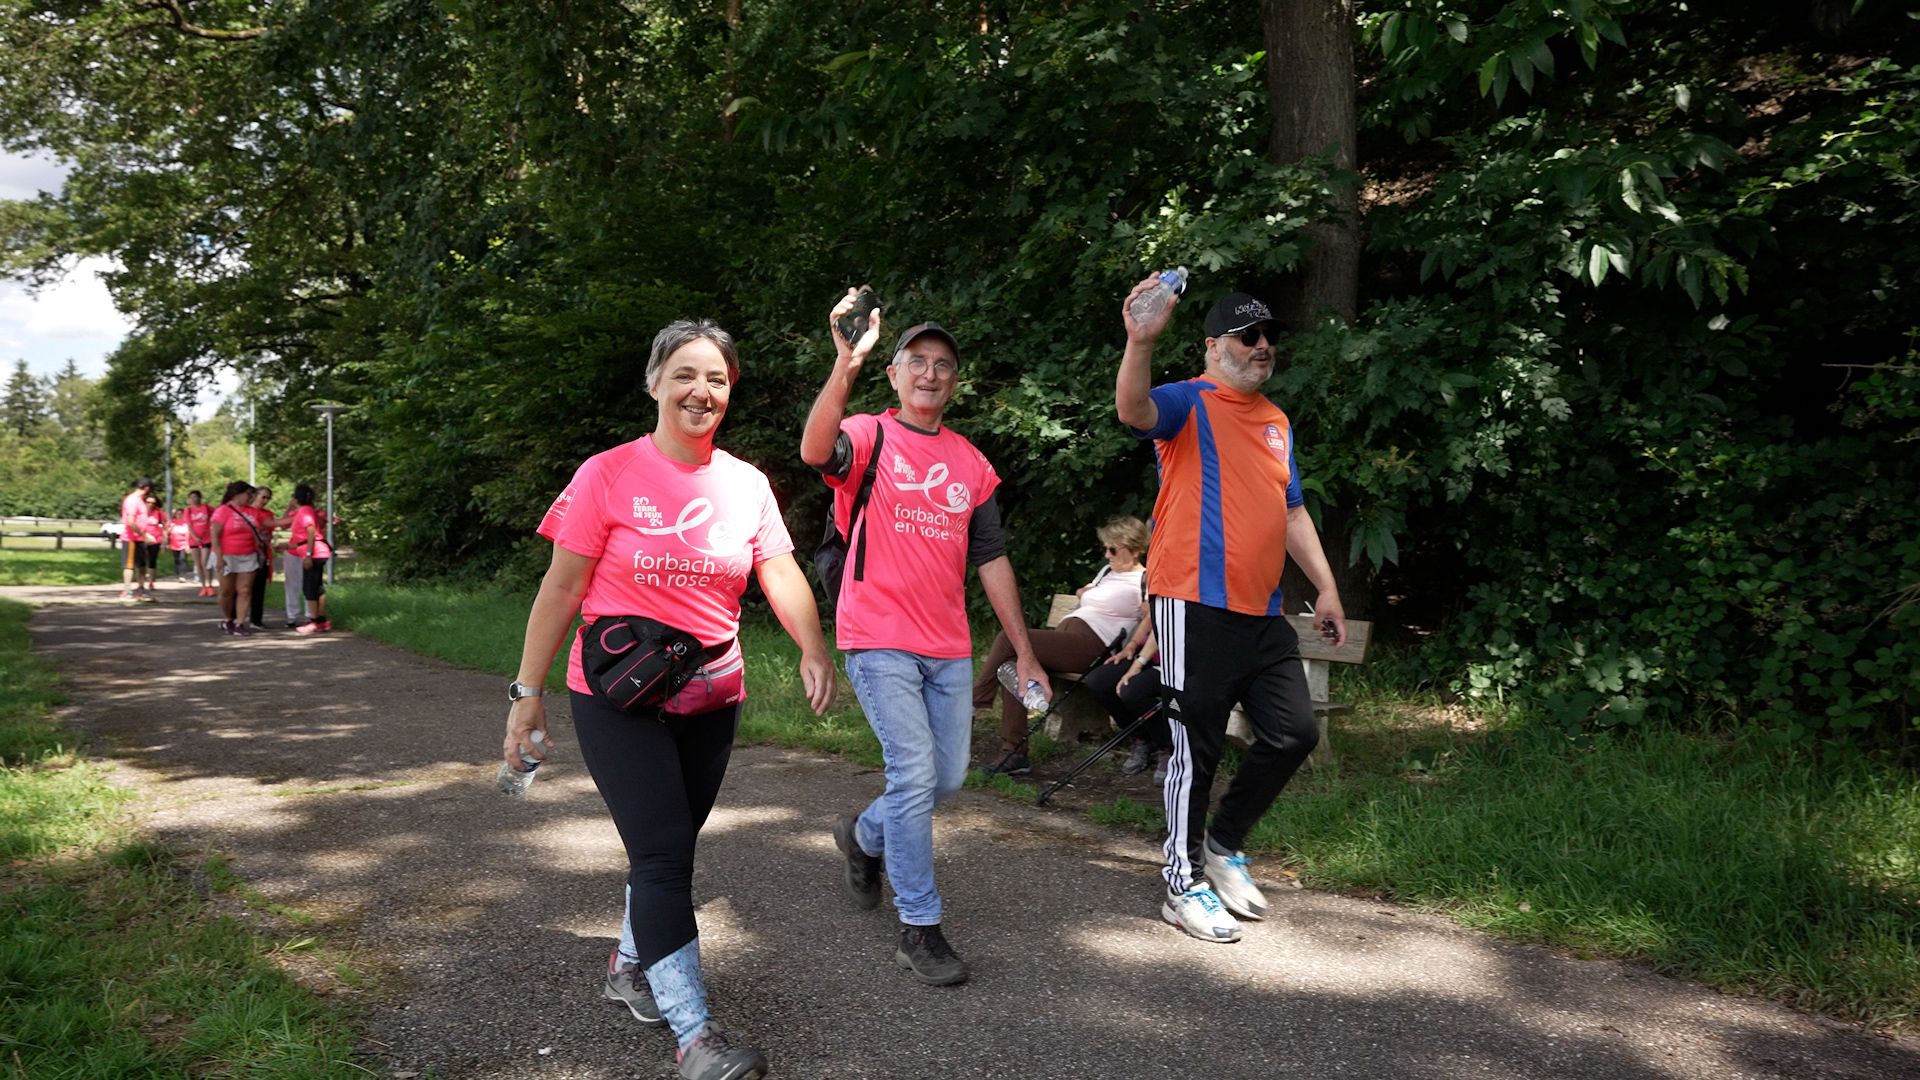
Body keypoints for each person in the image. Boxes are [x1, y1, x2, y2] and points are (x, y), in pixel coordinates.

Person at [502, 319, 834, 1080]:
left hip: (713, 694)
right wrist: (527, 692)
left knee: (671, 843)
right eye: (685, 374)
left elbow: (778, 570)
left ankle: (630, 966)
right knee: (662, 855)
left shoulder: (746, 484)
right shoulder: (608, 473)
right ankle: (694, 1035)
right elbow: (563, 586)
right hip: (617, 696)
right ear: (655, 383)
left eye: (716, 378)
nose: (700, 391)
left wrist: (814, 646)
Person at [801, 289, 1050, 987]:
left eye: (943, 365)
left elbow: (991, 558)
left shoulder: (972, 464)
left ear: (955, 382)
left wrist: (1026, 650)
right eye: (917, 361)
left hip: (947, 645)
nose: (930, 373)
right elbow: (815, 450)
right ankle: (920, 925)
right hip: (876, 633)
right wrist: (846, 364)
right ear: (895, 374)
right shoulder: (868, 435)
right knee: (912, 774)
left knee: (945, 778)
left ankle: (864, 836)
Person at [1115, 282, 1347, 945]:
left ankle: (1222, 845)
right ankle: (1181, 885)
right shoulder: (1189, 403)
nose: (1263, 346)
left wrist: (1327, 588)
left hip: (1262, 611)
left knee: (1293, 733)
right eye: (1248, 337)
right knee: (1198, 748)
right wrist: (1139, 341)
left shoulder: (1276, 422)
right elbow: (1133, 409)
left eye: (1269, 336)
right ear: (1214, 347)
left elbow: (1292, 512)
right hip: (1193, 602)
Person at [974, 515, 1149, 776]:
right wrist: (1085, 593)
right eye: (1105, 548)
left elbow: (1151, 616)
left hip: (1092, 646)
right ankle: (1014, 752)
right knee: (1012, 665)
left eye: (1113, 549)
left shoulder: (1144, 579)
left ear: (1134, 550)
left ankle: (974, 703)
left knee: (1009, 638)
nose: (1106, 554)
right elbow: (1086, 593)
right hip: (1068, 639)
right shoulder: (1106, 573)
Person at [1082, 605, 1173, 782]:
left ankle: (1167, 746)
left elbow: (1165, 623)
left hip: (1175, 663)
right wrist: (1132, 645)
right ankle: (1141, 738)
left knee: (1131, 691)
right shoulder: (1158, 589)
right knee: (1098, 682)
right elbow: (1152, 618)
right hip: (1147, 654)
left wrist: (1137, 665)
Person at [208, 481, 264, 636]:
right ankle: (228, 619)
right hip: (226, 555)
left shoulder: (252, 512)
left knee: (245, 590)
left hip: (248, 554)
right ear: (237, 494)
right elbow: (215, 536)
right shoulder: (222, 511)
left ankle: (240, 623)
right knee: (227, 591)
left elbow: (270, 522)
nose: (251, 498)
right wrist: (219, 557)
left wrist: (295, 513)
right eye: (248, 494)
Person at [289, 484, 334, 634]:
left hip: (314, 553)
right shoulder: (308, 510)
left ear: (296, 499)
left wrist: (308, 555)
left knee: (309, 588)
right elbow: (303, 538)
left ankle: (314, 622)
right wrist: (287, 546)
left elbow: (311, 532)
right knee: (317, 587)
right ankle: (321, 620)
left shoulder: (304, 512)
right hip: (318, 551)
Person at [245, 485, 283, 630]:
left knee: (259, 588)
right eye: (263, 497)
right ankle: (234, 618)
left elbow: (271, 533)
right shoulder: (246, 511)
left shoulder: (268, 514)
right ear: (255, 496)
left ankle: (256, 619)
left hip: (262, 555)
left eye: (268, 498)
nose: (265, 500)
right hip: (246, 553)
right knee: (243, 588)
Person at [118, 477, 153, 602]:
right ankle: (127, 591)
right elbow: (131, 521)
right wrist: (143, 535)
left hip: (139, 538)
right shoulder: (132, 500)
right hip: (131, 538)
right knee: (129, 566)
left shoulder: (140, 500)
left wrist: (144, 535)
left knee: (142, 565)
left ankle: (141, 589)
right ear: (146, 488)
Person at [183, 490, 215, 596]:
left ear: (200, 497)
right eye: (191, 497)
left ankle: (210, 585)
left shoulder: (207, 508)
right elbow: (189, 525)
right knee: (198, 564)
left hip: (206, 538)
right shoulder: (188, 510)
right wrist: (195, 537)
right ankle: (203, 586)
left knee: (205, 562)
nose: (193, 499)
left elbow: (216, 517)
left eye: (195, 497)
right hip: (194, 540)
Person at [137, 494, 166, 597]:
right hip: (142, 539)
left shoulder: (159, 513)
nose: (150, 504)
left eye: (153, 503)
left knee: (152, 561)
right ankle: (141, 583)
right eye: (148, 502)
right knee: (141, 562)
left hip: (155, 540)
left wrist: (164, 542)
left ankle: (151, 582)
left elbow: (165, 527)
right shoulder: (140, 513)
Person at [168, 506, 191, 582]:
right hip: (174, 544)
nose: (179, 515)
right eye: (178, 514)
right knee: (176, 559)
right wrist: (170, 528)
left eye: (181, 514)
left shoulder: (186, 523)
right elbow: (167, 532)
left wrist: (188, 545)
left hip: (183, 544)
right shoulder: (172, 522)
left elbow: (188, 534)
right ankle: (177, 573)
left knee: (182, 559)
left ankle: (182, 575)